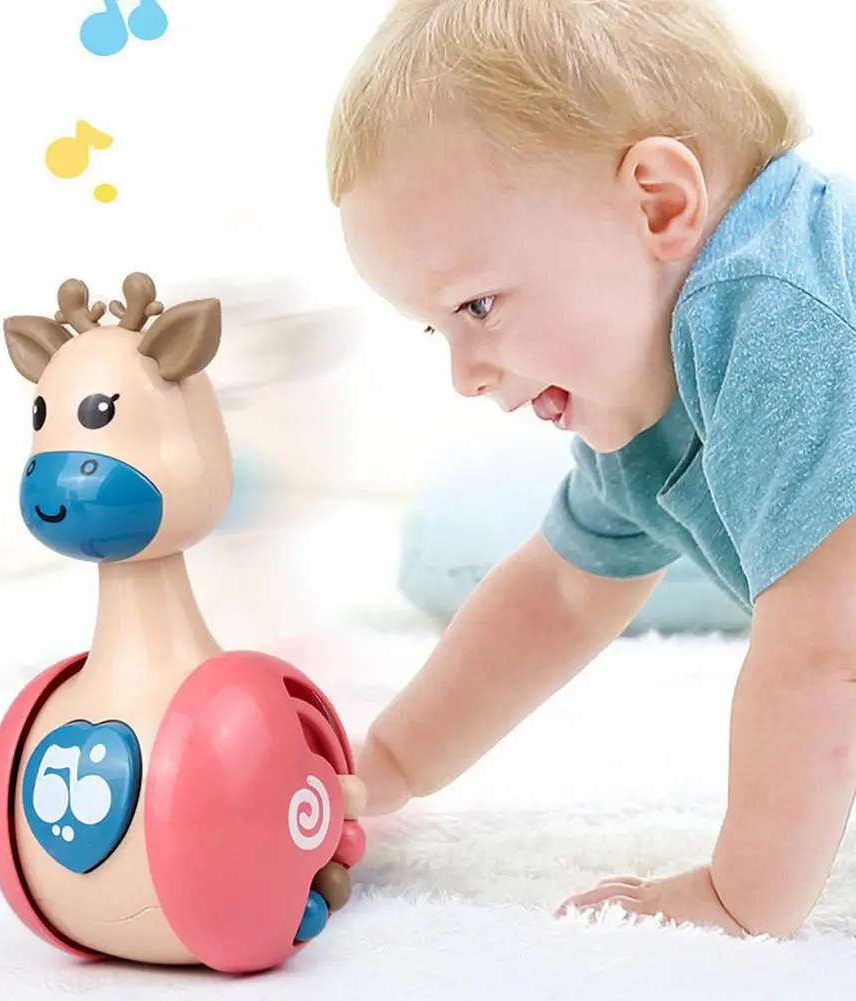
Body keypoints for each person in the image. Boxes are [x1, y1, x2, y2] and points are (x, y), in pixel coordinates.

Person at [326, 0, 856, 939]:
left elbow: (825, 648)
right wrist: (389, 764)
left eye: (478, 306)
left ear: (659, 204)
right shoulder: (644, 405)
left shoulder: (775, 312)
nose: (464, 374)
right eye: (437, 329)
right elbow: (561, 593)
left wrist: (740, 897)